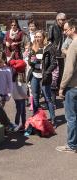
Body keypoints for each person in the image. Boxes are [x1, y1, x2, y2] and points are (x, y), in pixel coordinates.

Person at [56, 18, 77, 153]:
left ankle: (71, 145)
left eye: (66, 29)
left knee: (71, 118)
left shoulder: (74, 44)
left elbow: (68, 69)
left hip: (73, 86)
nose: (64, 32)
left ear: (73, 29)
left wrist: (62, 87)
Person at [28, 30, 57, 127]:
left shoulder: (49, 48)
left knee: (48, 99)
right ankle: (36, 119)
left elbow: (54, 63)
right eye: (36, 36)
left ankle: (53, 120)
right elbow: (30, 62)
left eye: (39, 36)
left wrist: (47, 73)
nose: (37, 38)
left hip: (44, 77)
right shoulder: (33, 47)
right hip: (34, 76)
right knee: (35, 98)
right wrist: (31, 61)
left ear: (44, 37)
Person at [48, 13, 66, 90]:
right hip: (55, 53)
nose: (64, 21)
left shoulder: (64, 28)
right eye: (62, 19)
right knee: (55, 72)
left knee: (62, 72)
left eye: (65, 19)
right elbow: (49, 41)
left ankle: (60, 89)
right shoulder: (52, 27)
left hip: (63, 53)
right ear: (57, 19)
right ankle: (52, 89)